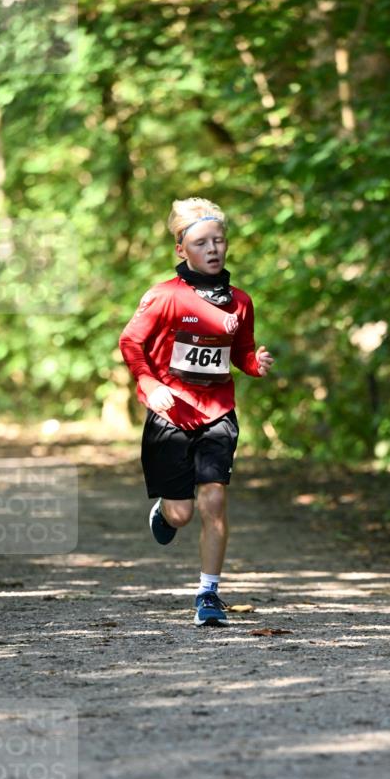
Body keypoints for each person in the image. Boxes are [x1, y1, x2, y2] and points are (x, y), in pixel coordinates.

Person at [119, 197, 274, 627]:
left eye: (218, 240)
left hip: (217, 413)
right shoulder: (164, 296)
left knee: (215, 500)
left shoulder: (240, 301)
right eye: (201, 242)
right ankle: (165, 510)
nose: (212, 249)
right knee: (181, 514)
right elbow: (130, 343)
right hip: (170, 416)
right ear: (181, 249)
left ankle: (208, 593)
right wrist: (151, 385)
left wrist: (254, 364)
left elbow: (240, 352)